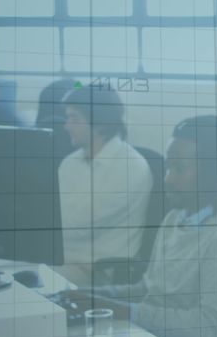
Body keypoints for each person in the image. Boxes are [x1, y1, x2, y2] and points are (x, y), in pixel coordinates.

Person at [59, 115, 217, 337]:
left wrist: (119, 310)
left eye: (179, 169)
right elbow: (149, 288)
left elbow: (210, 329)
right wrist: (92, 297)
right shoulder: (176, 217)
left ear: (215, 174)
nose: (168, 178)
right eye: (168, 167)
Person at [56, 87, 152, 286]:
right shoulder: (70, 162)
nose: (66, 126)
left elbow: (78, 227)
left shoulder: (130, 167)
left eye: (74, 118)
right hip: (61, 260)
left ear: (98, 121)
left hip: (94, 272)